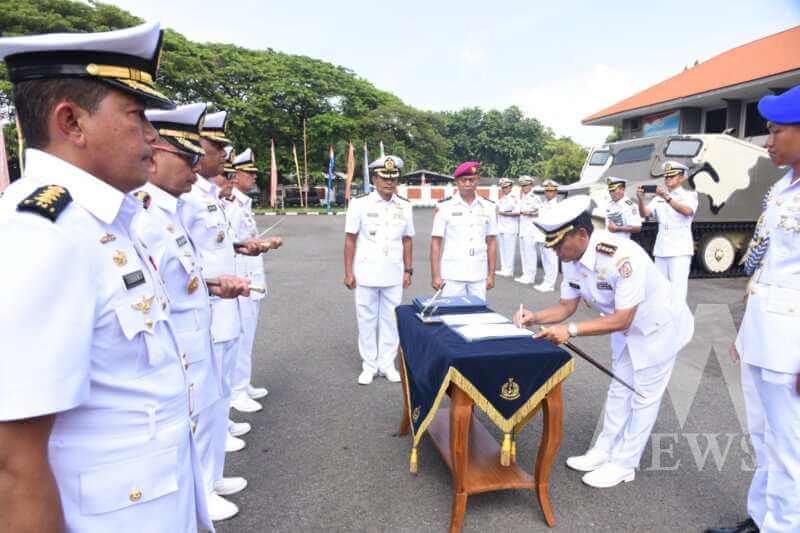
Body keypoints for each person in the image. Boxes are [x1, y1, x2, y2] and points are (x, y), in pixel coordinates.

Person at [0, 23, 211, 531]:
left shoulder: (106, 221)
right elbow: (11, 461)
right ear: (71, 122)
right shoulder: (42, 232)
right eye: (137, 116)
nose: (154, 136)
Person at [514, 195, 694, 489]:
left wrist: (569, 331)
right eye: (553, 246)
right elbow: (565, 306)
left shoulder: (621, 257)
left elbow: (622, 318)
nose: (556, 252)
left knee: (644, 395)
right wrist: (535, 317)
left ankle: (624, 463)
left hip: (658, 327)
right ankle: (603, 450)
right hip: (626, 328)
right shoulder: (572, 259)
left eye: (560, 244)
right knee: (620, 387)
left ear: (582, 234)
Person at [133, 102, 252, 523]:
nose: (196, 166)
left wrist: (212, 285)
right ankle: (201, 489)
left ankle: (207, 484)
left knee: (207, 410)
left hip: (199, 330)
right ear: (158, 155)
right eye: (186, 157)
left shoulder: (171, 210)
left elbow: (186, 272)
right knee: (193, 422)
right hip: (178, 345)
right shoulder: (146, 215)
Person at [706, 86, 800, 533]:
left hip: (793, 346)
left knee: (792, 446)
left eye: (777, 131)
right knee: (763, 437)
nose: (768, 142)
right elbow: (763, 268)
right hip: (767, 335)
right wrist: (748, 334)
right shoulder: (783, 187)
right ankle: (763, 519)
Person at [181, 108, 262, 520]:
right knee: (202, 404)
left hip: (221, 304)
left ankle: (211, 479)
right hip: (204, 309)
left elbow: (215, 248)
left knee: (215, 398)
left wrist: (243, 250)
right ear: (200, 148)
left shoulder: (208, 197)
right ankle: (201, 487)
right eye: (219, 146)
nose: (225, 154)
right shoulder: (185, 199)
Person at [344, 155, 414, 385]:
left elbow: (407, 240)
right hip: (366, 272)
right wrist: (348, 271)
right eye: (384, 177)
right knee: (366, 320)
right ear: (374, 178)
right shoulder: (359, 204)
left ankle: (387, 363)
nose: (389, 182)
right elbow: (350, 239)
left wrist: (408, 270)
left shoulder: (405, 206)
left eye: (393, 178)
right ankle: (369, 365)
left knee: (391, 320)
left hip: (393, 272)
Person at [229, 148, 280, 412]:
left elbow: (245, 241)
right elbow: (231, 246)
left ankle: (243, 383)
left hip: (252, 277)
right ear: (234, 175)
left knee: (247, 335)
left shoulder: (243, 204)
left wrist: (265, 243)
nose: (253, 177)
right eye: (248, 173)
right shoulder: (230, 204)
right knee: (240, 335)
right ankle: (236, 392)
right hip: (241, 280)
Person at [430, 161, 498, 300]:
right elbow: (436, 242)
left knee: (477, 315)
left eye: (471, 180)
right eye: (464, 180)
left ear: (478, 180)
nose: (468, 183)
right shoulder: (444, 207)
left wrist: (491, 274)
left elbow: (491, 242)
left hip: (479, 273)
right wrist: (435, 275)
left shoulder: (489, 207)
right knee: (452, 316)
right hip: (452, 273)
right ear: (457, 181)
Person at [637, 161, 697, 304]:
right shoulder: (658, 199)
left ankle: (678, 324)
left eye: (672, 176)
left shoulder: (689, 195)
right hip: (662, 249)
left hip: (679, 250)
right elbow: (645, 213)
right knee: (660, 291)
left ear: (681, 178)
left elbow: (687, 211)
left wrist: (666, 197)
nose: (667, 179)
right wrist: (640, 200)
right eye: (666, 176)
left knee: (677, 293)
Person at [515, 175, 544, 284]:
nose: (524, 187)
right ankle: (525, 274)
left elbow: (540, 211)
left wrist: (530, 213)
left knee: (530, 253)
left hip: (531, 230)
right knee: (523, 252)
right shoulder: (522, 197)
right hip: (522, 229)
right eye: (522, 185)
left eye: (526, 185)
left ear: (531, 185)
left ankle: (530, 276)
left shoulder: (535, 197)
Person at [534, 179, 561, 292]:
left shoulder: (558, 206)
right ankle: (546, 281)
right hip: (541, 236)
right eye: (546, 191)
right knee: (545, 260)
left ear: (555, 192)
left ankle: (551, 284)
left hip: (551, 237)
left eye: (551, 191)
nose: (548, 193)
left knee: (551, 260)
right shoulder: (543, 204)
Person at [495, 177, 519, 277]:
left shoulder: (514, 198)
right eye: (503, 187)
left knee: (509, 250)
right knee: (503, 249)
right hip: (501, 227)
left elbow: (517, 212)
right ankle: (504, 268)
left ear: (510, 187)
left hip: (510, 228)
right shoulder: (502, 199)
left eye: (506, 187)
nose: (504, 189)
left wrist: (504, 213)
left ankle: (509, 270)